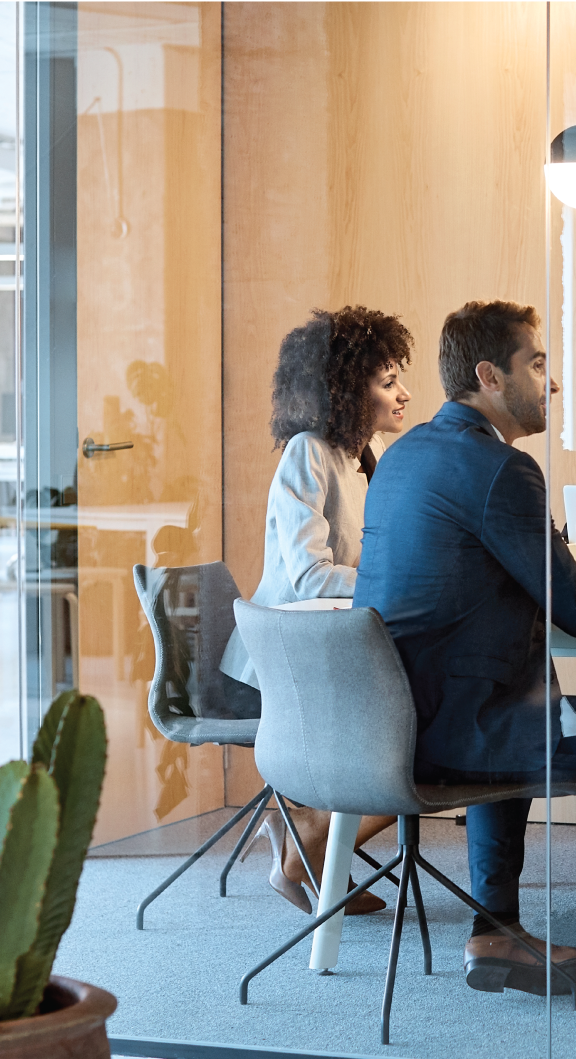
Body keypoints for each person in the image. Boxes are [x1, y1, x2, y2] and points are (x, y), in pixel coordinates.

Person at [354, 300, 576, 1018]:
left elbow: (513, 581)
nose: (551, 384)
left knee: (526, 690)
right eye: (538, 364)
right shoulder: (501, 469)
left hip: (396, 720)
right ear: (491, 376)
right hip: (460, 730)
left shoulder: (408, 455)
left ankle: (495, 934)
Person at [220, 305, 414, 916]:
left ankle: (310, 853)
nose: (405, 394)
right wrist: (397, 581)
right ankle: (309, 842)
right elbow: (308, 577)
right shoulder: (308, 452)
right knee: (418, 743)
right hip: (286, 658)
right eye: (387, 383)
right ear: (345, 390)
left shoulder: (367, 455)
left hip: (333, 645)